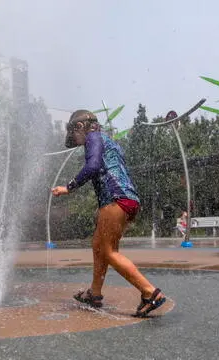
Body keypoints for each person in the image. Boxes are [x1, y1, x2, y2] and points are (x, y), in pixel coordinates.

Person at [51, 110, 166, 317]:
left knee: (109, 252)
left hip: (115, 200)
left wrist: (69, 187)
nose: (73, 137)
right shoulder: (106, 139)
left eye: (73, 131)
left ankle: (150, 292)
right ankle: (94, 293)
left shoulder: (93, 137)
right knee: (99, 246)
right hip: (126, 199)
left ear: (80, 127)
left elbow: (93, 166)